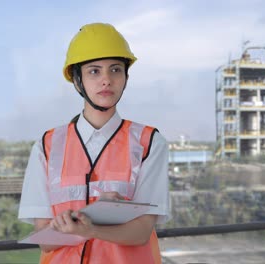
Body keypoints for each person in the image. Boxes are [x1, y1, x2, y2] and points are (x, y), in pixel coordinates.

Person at [18, 22, 171, 264]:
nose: (106, 80)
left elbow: (142, 232)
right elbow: (44, 240)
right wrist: (71, 224)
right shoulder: (47, 146)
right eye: (94, 71)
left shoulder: (149, 143)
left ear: (125, 76)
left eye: (115, 69)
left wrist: (91, 230)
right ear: (77, 79)